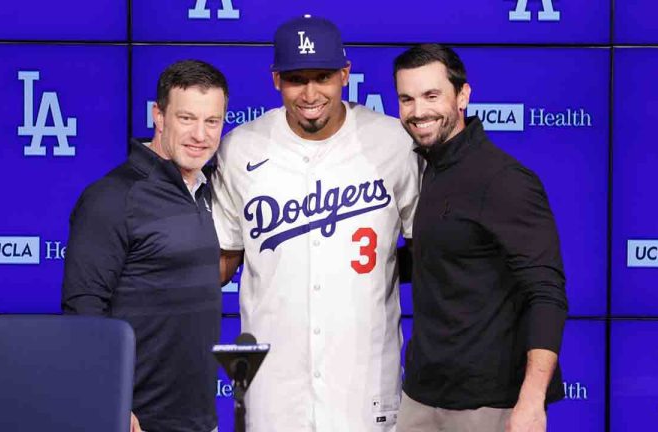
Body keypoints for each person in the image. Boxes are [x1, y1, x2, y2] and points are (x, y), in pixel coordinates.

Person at [211, 15, 420, 431]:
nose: (310, 93)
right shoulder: (240, 148)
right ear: (275, 80)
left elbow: (429, 248)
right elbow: (223, 259)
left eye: (322, 76)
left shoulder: (393, 142)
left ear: (345, 74)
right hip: (273, 386)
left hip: (364, 381)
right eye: (295, 78)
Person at [392, 44, 568, 432]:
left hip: (489, 406)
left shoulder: (505, 180)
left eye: (431, 95)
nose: (418, 111)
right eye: (407, 99)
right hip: (421, 395)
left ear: (463, 96)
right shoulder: (426, 166)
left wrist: (532, 400)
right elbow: (441, 256)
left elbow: (547, 292)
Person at [62, 59, 228, 432]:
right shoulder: (113, 197)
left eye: (212, 121)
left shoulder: (211, 188)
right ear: (159, 115)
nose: (200, 135)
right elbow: (83, 309)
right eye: (187, 118)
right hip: (137, 422)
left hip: (201, 419)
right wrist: (113, 404)